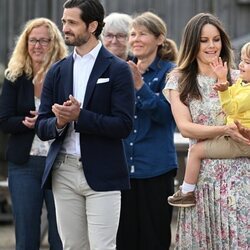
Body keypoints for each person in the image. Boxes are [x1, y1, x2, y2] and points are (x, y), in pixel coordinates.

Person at [35, 0, 135, 249]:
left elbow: (123, 125)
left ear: (92, 26)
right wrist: (58, 121)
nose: (65, 28)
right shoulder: (57, 70)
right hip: (64, 171)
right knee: (72, 247)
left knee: (103, 247)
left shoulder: (119, 69)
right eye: (64, 21)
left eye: (72, 22)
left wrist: (81, 116)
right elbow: (41, 126)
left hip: (104, 170)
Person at [163, 13, 250, 249]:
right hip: (202, 180)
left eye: (216, 39)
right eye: (204, 40)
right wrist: (225, 129)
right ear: (192, 43)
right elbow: (185, 127)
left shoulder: (238, 77)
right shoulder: (178, 80)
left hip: (242, 177)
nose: (212, 46)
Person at [0, 17, 67, 250]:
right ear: (25, 43)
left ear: (55, 44)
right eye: (33, 40)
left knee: (61, 235)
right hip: (24, 163)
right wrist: (25, 123)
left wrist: (53, 120)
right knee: (27, 234)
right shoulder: (15, 76)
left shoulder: (65, 75)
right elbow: (4, 120)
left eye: (44, 41)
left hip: (59, 162)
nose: (37, 46)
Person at [116, 11, 178, 250]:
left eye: (143, 34)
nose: (136, 39)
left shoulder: (171, 72)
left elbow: (166, 116)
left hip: (155, 169)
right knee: (125, 240)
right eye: (133, 34)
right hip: (122, 170)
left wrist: (140, 86)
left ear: (159, 39)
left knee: (154, 239)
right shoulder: (121, 69)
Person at [168, 43, 250, 207]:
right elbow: (185, 128)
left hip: (240, 145)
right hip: (213, 182)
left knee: (196, 150)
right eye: (241, 59)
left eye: (247, 62)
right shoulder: (242, 82)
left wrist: (222, 87)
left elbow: (230, 107)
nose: (241, 64)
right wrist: (224, 83)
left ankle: (186, 192)